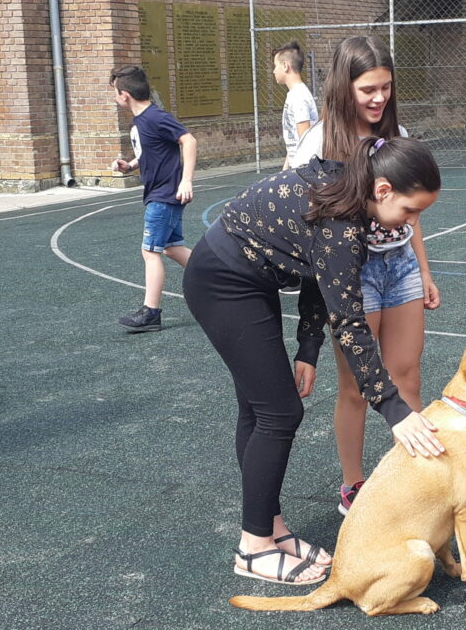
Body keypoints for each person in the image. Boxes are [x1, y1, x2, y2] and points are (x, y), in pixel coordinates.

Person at [182, 137, 446, 586]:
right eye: (410, 211)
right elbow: (349, 323)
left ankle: (271, 528)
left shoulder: (348, 193)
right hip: (223, 281)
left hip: (248, 278)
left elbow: (315, 273)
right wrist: (394, 408)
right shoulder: (345, 224)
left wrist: (307, 350)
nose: (411, 223)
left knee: (259, 408)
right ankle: (253, 547)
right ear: (383, 190)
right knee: (279, 412)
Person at [291, 36, 441, 516]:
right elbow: (306, 223)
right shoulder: (317, 143)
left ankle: (413, 478)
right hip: (350, 275)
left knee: (407, 376)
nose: (379, 99)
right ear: (343, 87)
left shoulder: (393, 133)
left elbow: (412, 210)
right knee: (356, 385)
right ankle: (354, 485)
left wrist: (423, 268)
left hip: (399, 267)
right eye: (368, 89)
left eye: (386, 88)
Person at [110, 64, 198, 333]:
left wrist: (186, 180)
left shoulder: (155, 117)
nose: (114, 97)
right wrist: (131, 165)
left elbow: (189, 140)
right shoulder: (142, 121)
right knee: (172, 248)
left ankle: (151, 312)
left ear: (125, 95)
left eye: (115, 92)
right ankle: (219, 277)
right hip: (159, 193)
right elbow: (154, 150)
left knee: (150, 252)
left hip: (164, 195)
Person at [272, 41, 319, 170]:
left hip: (303, 170)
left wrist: (298, 172)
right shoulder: (294, 95)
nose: (274, 71)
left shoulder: (299, 97)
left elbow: (304, 139)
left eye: (276, 66)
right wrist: (284, 171)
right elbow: (294, 141)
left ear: (285, 66)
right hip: (296, 167)